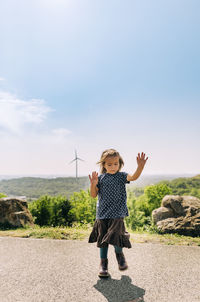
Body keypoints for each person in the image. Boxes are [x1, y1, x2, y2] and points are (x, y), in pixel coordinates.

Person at [88, 148, 148, 278]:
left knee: (116, 236)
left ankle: (119, 255)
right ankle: (103, 264)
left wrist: (140, 167)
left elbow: (134, 177)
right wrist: (93, 184)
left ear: (119, 163)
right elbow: (93, 195)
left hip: (118, 213)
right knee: (102, 239)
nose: (113, 167)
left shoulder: (121, 176)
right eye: (109, 164)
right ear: (103, 165)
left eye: (116, 164)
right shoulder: (100, 178)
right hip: (102, 214)